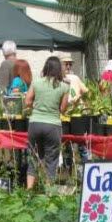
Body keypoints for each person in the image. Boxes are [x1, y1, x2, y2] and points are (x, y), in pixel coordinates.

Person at [25, 56, 69, 189]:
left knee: (33, 157)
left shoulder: (36, 82)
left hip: (35, 123)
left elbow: (27, 101)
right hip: (53, 125)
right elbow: (63, 109)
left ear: (46, 67)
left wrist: (37, 107)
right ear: (59, 70)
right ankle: (49, 192)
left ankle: (29, 190)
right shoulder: (64, 87)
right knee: (51, 160)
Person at [61, 56, 89, 167]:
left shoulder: (75, 78)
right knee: (66, 143)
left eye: (70, 64)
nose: (68, 66)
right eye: (65, 64)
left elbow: (86, 91)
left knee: (81, 143)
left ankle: (85, 167)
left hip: (77, 114)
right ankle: (68, 170)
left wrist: (80, 98)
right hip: (64, 115)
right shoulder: (58, 79)